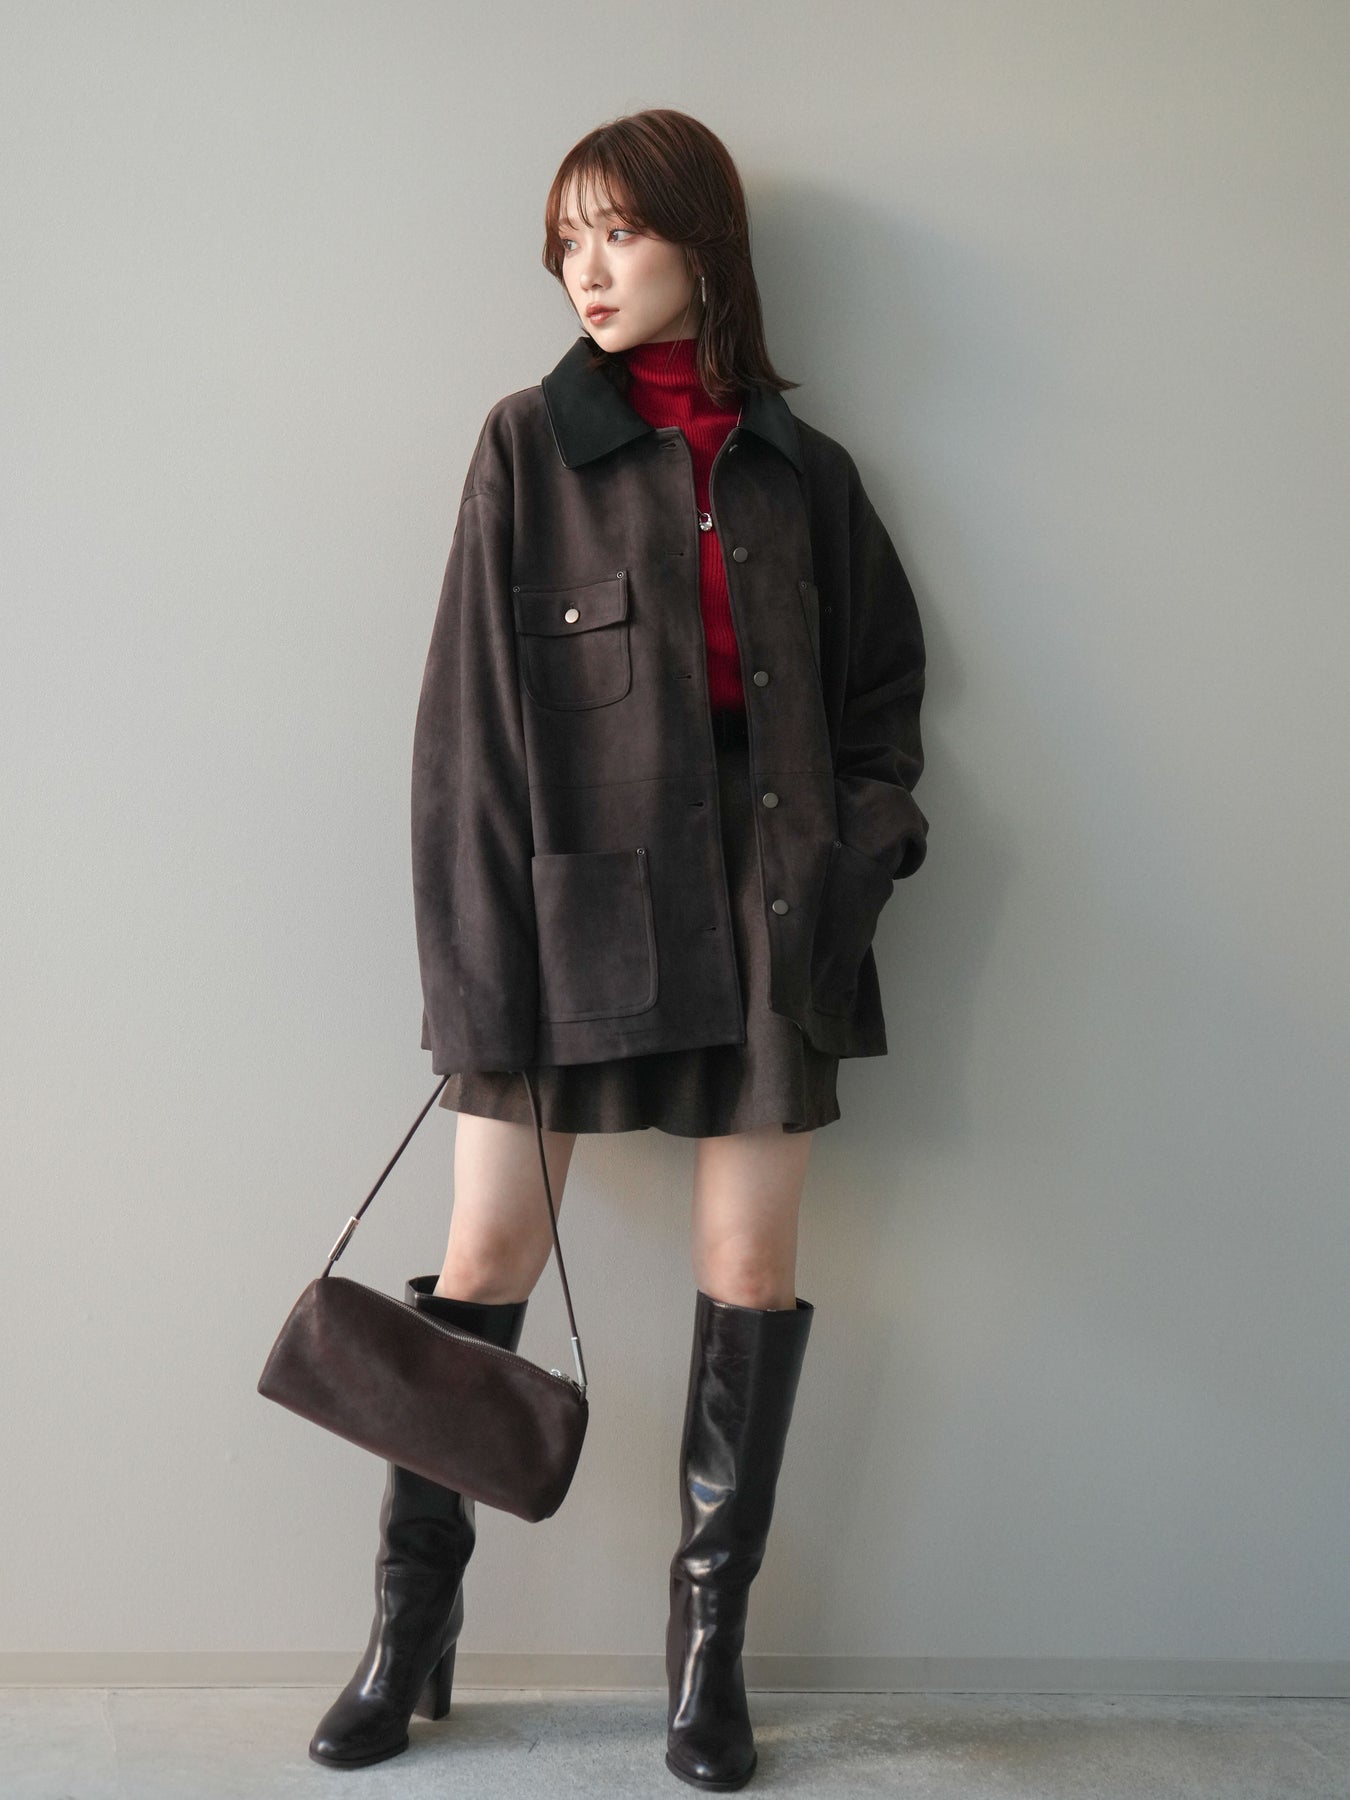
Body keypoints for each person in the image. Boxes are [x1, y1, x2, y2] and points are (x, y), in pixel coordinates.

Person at [309, 108, 930, 1790]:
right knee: (485, 1258)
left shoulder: (807, 474)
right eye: (565, 241)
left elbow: (882, 699)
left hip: (772, 915)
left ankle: (705, 1658)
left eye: (619, 233)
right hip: (562, 910)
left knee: (749, 1273)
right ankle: (410, 1628)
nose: (586, 269)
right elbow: (467, 737)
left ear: (700, 247)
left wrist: (861, 847)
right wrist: (473, 977)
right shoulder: (527, 447)